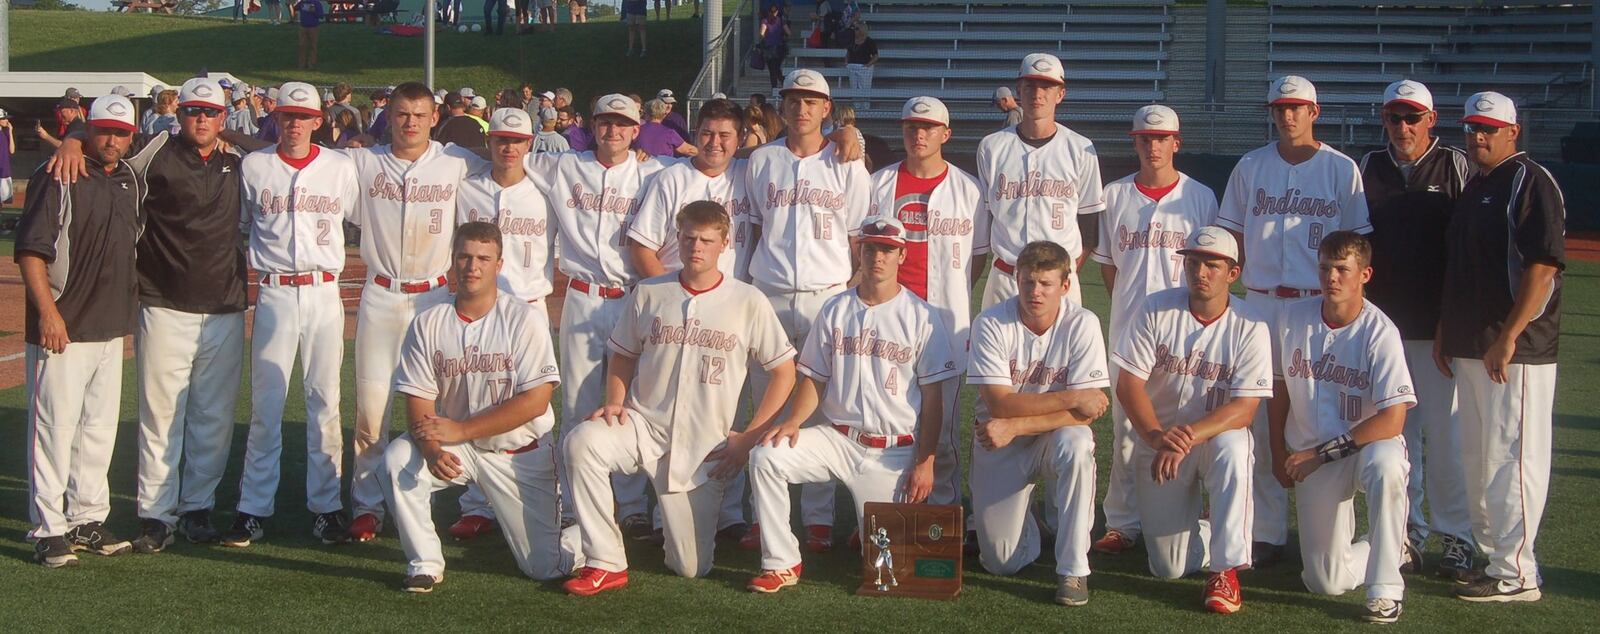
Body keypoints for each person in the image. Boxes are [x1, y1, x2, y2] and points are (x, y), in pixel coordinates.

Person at [45, 77, 253, 554]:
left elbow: (275, 145)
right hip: (162, 302)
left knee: (213, 417)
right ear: (178, 114)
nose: (200, 119)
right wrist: (75, 140)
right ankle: (157, 515)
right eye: (193, 111)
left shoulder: (239, 160)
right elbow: (106, 138)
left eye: (210, 112)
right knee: (160, 417)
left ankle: (198, 508)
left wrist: (240, 137)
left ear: (224, 118)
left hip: (224, 305)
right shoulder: (153, 151)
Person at [564, 201, 799, 595]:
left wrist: (748, 438)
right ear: (677, 238)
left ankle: (594, 538)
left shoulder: (747, 300)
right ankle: (604, 559)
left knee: (690, 567)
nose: (696, 247)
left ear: (725, 243)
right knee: (581, 442)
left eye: (707, 240)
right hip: (643, 426)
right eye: (689, 238)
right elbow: (623, 352)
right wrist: (616, 400)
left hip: (702, 447)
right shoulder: (652, 291)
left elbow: (784, 372)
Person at [746, 215, 958, 593]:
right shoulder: (835, 308)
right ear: (859, 251)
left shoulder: (922, 316)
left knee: (891, 571)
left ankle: (867, 526)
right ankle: (782, 562)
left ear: (901, 255)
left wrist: (925, 462)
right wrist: (794, 420)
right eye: (872, 247)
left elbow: (933, 400)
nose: (878, 256)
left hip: (892, 452)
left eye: (888, 249)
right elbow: (814, 377)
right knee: (766, 457)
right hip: (837, 439)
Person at [1217, 75, 1371, 567]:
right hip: (1260, 301)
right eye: (1281, 108)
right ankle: (1265, 529)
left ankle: (1326, 526)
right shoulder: (1251, 164)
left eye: (1298, 108)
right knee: (1260, 414)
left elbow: (1357, 245)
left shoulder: (1342, 170)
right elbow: (1231, 235)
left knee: (1316, 409)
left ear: (1314, 112)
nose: (1288, 116)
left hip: (1316, 303)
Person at [382, 221, 579, 593]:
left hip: (519, 453)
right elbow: (419, 396)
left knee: (546, 567)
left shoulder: (524, 318)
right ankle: (423, 563)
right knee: (397, 459)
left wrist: (460, 430)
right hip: (459, 448)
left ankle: (588, 534)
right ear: (453, 261)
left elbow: (537, 401)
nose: (473, 266)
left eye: (483, 258)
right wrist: (430, 447)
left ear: (499, 265)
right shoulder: (429, 322)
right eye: (465, 257)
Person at [1441, 92, 1565, 604]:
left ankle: (1518, 573)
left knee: (1513, 458)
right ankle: (1495, 560)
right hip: (1473, 343)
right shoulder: (1477, 183)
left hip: (1518, 349)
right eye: (1472, 127)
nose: (1479, 136)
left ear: (1514, 131)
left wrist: (1510, 335)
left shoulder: (1529, 180)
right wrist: (1450, 332)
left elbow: (1543, 267)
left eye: (1490, 128)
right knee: (1479, 456)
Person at [741, 69, 872, 554]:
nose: (802, 109)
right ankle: (763, 516)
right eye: (794, 100)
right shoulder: (763, 160)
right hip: (770, 292)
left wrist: (849, 292)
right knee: (765, 404)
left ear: (826, 108)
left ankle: (817, 520)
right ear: (784, 104)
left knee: (819, 406)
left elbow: (857, 236)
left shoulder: (846, 161)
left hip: (824, 294)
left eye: (812, 101)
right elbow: (754, 227)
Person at [224, 83, 360, 548]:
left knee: (325, 402)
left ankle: (327, 507)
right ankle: (252, 508)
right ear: (275, 119)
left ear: (319, 120)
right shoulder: (255, 166)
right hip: (275, 292)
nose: (295, 123)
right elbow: (240, 225)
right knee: (266, 405)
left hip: (324, 293)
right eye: (287, 116)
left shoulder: (340, 167)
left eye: (304, 116)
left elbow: (363, 216)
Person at [526, 94, 666, 540]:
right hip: (583, 295)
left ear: (636, 129)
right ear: (592, 125)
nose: (613, 131)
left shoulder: (654, 173)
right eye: (605, 123)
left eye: (622, 124)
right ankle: (570, 503)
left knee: (629, 402)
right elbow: (503, 156)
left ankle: (630, 505)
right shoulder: (565, 166)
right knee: (577, 403)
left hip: (632, 297)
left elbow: (714, 165)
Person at [1113, 227, 1269, 613]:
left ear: (1233, 273)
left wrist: (1188, 436)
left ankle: (1225, 569)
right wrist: (1155, 436)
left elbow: (1245, 409)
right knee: (1167, 567)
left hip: (1212, 439)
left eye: (1211, 264)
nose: (1200, 271)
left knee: (1236, 445)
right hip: (1161, 441)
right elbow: (1129, 385)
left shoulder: (1252, 324)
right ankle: (1204, 529)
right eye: (1193, 261)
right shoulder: (1156, 307)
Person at [18, 95, 144, 568]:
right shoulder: (59, 174)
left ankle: (86, 517)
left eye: (122, 132)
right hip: (64, 326)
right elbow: (32, 252)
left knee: (97, 430)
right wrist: (48, 314)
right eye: (103, 130)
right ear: (89, 129)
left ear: (133, 136)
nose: (112, 139)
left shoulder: (129, 177)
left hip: (110, 326)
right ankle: (48, 528)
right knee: (53, 429)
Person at [1357, 79, 1475, 580]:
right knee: (1396, 438)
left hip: (1438, 328)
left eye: (1411, 118)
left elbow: (1467, 251)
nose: (1401, 127)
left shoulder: (1454, 166)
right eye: (1393, 117)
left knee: (1446, 437)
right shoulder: (1369, 166)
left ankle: (1458, 537)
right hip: (1383, 329)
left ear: (1432, 119)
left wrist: (1454, 320)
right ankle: (1405, 533)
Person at [1089, 105, 1218, 557]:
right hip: (1131, 327)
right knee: (1128, 429)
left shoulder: (1200, 197)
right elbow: (1108, 267)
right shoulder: (1116, 194)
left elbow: (1212, 265)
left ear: (1176, 143)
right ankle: (1123, 522)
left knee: (1190, 413)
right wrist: (1129, 308)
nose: (1153, 145)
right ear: (1135, 141)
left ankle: (1194, 506)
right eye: (1145, 137)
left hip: (1185, 327)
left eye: (1162, 138)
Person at [1271, 230, 1415, 624]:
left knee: (1387, 467)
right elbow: (1279, 389)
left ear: (1364, 274)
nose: (1331, 278)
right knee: (1325, 581)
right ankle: (1388, 546)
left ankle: (1386, 589)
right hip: (1312, 453)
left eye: (1342, 269)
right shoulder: (1293, 318)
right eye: (1324, 268)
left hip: (1366, 445)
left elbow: (1393, 418)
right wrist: (1276, 452)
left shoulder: (1380, 332)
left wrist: (1318, 455)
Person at [966, 240, 1109, 606]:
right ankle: (1031, 527)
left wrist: (1017, 426)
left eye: (1046, 283)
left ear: (1065, 284)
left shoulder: (1083, 323)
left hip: (1028, 435)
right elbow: (1001, 403)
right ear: (1016, 279)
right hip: (997, 442)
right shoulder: (991, 322)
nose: (1035, 292)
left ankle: (1073, 569)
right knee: (1000, 562)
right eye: (1028, 282)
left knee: (1077, 442)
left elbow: (1088, 414)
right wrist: (1072, 396)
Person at [865, 96, 986, 512]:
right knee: (887, 415)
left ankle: (942, 513)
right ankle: (887, 507)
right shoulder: (877, 183)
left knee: (945, 429)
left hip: (944, 321)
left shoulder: (968, 189)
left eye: (929, 128)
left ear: (945, 134)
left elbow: (979, 257)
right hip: (885, 316)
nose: (919, 134)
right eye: (912, 127)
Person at [446, 108, 559, 540]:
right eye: (500, 139)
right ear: (488, 142)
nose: (508, 148)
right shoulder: (468, 185)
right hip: (479, 308)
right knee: (473, 399)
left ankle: (536, 492)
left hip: (528, 306)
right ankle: (477, 503)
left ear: (530, 144)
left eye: (517, 140)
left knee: (533, 407)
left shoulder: (547, 189)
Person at [975, 53, 1105, 308]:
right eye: (1030, 85)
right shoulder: (991, 147)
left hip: (1059, 281)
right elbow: (985, 216)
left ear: (1061, 94)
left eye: (1047, 86)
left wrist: (1061, 274)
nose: (1038, 94)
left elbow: (1090, 227)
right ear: (1018, 90)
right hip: (1005, 278)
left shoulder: (1080, 148)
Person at [758, 4, 790, 89]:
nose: (773, 13)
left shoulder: (765, 21)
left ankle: (775, 86)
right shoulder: (781, 20)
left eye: (774, 12)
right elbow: (788, 33)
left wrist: (766, 38)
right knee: (776, 68)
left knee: (773, 69)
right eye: (773, 12)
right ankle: (783, 84)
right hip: (778, 48)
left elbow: (762, 33)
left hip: (770, 49)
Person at [845, 24, 879, 94]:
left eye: (857, 29)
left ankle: (865, 105)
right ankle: (855, 105)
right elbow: (848, 53)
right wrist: (846, 63)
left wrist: (867, 65)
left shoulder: (870, 42)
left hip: (864, 67)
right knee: (853, 89)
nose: (855, 31)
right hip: (852, 67)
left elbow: (875, 56)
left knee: (864, 89)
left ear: (862, 30)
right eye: (854, 29)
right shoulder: (851, 40)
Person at [295, 0, 324, 70]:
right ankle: (301, 64)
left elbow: (321, 16)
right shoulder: (302, 2)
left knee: (313, 46)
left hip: (313, 27)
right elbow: (295, 8)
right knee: (302, 46)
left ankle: (311, 65)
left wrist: (314, 11)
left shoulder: (317, 3)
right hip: (303, 27)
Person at [0, 108, 13, 204]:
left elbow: (12, 150)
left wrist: (11, 132)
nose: (7, 121)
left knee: (3, 199)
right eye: (4, 118)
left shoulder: (5, 133)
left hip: (5, 170)